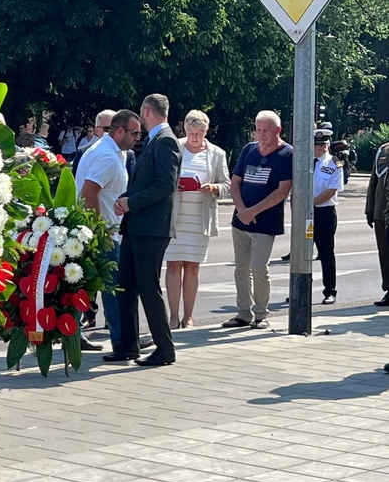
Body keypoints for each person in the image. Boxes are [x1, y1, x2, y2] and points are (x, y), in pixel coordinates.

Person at [107, 94, 181, 366]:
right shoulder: (155, 141)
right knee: (124, 285)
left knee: (148, 287)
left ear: (147, 111)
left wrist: (131, 202)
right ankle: (128, 345)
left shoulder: (166, 142)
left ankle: (165, 348)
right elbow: (146, 183)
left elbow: (165, 185)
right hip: (137, 226)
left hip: (151, 228)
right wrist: (126, 198)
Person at [221, 111, 293, 330]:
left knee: (259, 268)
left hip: (265, 223)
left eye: (266, 130)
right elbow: (235, 182)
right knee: (240, 268)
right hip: (240, 221)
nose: (261, 135)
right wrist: (242, 210)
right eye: (258, 129)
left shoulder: (287, 154)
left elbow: (282, 191)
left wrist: (253, 211)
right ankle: (243, 313)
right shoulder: (248, 150)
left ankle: (261, 314)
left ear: (278, 131)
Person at [77, 109, 138, 357]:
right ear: (119, 130)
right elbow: (88, 193)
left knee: (90, 286)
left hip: (102, 231)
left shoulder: (110, 151)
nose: (137, 138)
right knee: (112, 290)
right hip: (105, 234)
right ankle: (122, 341)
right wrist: (99, 230)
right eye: (134, 133)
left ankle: (74, 334)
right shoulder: (108, 157)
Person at [163, 110, 230, 328]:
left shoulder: (217, 153)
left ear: (206, 131)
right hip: (176, 215)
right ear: (185, 130)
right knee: (173, 265)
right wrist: (175, 184)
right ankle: (173, 316)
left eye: (199, 134)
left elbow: (226, 184)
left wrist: (214, 188)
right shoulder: (175, 146)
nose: (194, 138)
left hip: (199, 218)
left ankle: (188, 316)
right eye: (191, 133)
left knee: (192, 267)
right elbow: (163, 177)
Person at [313, 129, 343, 304]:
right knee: (302, 253)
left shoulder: (334, 163)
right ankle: (301, 288)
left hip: (324, 212)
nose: (319, 147)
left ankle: (330, 291)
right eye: (316, 144)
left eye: (323, 144)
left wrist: (311, 204)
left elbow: (332, 190)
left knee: (326, 252)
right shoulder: (304, 162)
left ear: (328, 145)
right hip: (305, 214)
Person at [365, 140, 389, 306]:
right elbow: (374, 180)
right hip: (381, 210)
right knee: (385, 253)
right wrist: (370, 209)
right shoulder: (384, 150)